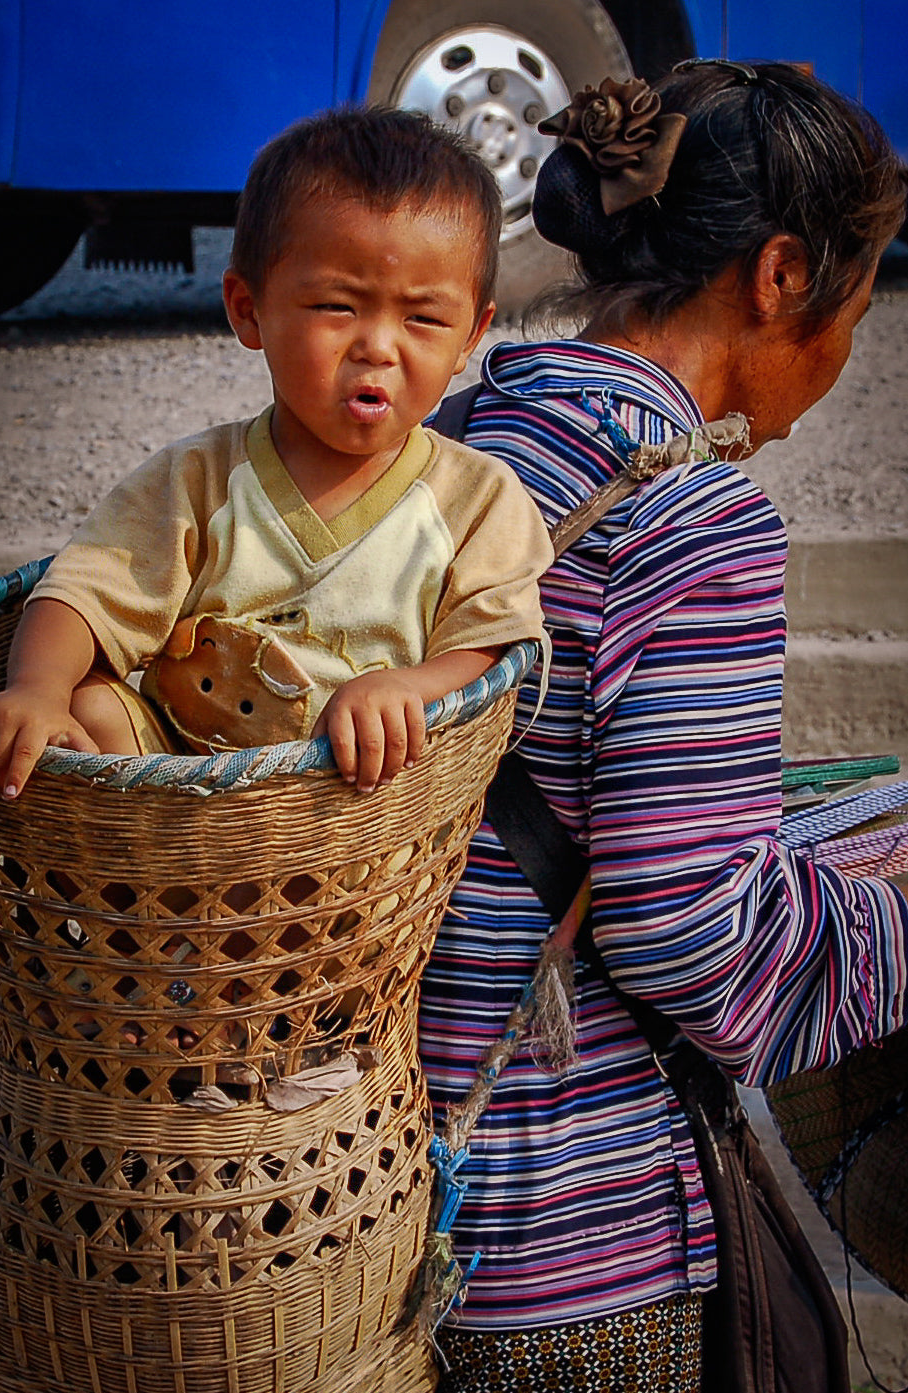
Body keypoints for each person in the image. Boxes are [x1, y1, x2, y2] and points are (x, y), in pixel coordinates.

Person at [419, 62, 908, 1391]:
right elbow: (696, 938)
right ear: (781, 276)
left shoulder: (454, 427)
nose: (849, 345)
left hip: (380, 1193)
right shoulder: (695, 520)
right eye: (857, 304)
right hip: (562, 1248)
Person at [0, 108, 553, 799]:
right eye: (338, 307)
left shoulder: (477, 500)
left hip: (358, 812)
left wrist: (406, 685)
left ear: (471, 335)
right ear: (248, 308)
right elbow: (84, 593)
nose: (378, 345)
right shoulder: (197, 481)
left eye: (423, 319)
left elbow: (490, 645)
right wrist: (37, 689)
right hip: (180, 808)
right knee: (87, 701)